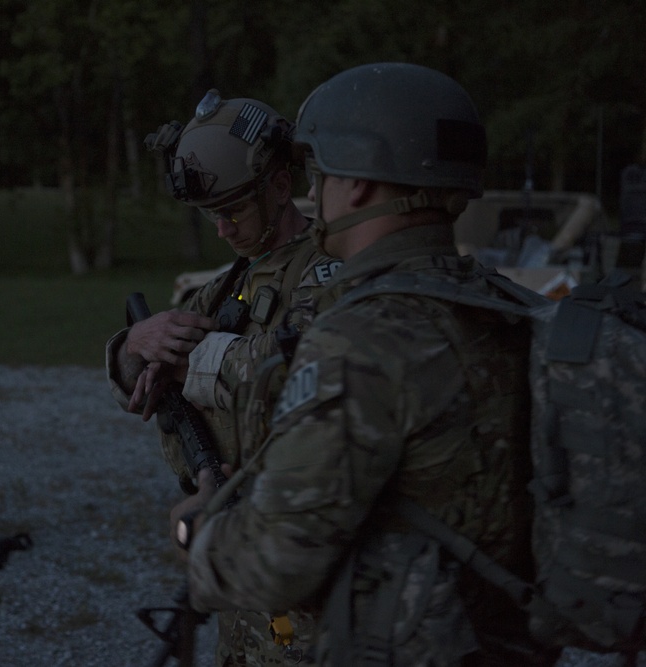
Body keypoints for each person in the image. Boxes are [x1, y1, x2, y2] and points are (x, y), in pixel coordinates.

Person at [171, 63, 549, 665]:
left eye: (321, 174)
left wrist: (198, 532)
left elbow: (272, 565)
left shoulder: (360, 341)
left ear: (362, 185)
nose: (313, 194)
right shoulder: (512, 310)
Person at [106, 93, 341, 665]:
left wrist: (198, 361)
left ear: (281, 187)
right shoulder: (235, 279)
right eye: (210, 214)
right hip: (235, 564)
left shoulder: (330, 275)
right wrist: (134, 347)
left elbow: (307, 374)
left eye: (232, 211)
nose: (220, 229)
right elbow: (134, 383)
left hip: (302, 563)